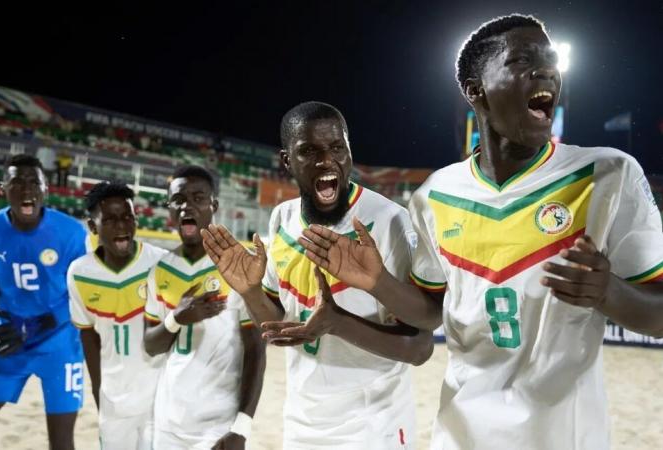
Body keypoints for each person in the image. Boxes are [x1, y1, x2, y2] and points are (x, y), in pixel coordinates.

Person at [295, 14, 663, 450]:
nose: (546, 70)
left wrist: (608, 292)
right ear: (475, 90)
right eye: (523, 59)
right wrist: (379, 283)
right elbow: (433, 312)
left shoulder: (607, 174)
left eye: (550, 61)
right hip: (461, 433)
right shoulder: (435, 197)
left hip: (567, 436)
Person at [202, 101, 433, 450]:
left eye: (337, 148)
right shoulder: (282, 219)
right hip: (301, 423)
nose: (326, 161)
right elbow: (277, 324)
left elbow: (420, 348)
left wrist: (339, 323)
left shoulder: (389, 221)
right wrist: (251, 292)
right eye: (309, 151)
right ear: (286, 161)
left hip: (375, 426)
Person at [0, 154, 87, 450]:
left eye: (35, 182)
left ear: (46, 189)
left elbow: (79, 295)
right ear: (2, 188)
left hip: (60, 341)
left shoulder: (71, 233)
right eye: (17, 181)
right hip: (7, 337)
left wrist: (34, 326)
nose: (27, 189)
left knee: (61, 442)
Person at [143, 165, 266, 450]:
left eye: (198, 198)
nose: (187, 206)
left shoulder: (239, 265)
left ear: (214, 205)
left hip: (218, 425)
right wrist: (176, 318)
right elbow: (151, 345)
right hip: (167, 419)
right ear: (170, 209)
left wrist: (242, 428)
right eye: (179, 199)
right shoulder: (160, 271)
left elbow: (256, 351)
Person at [68, 181, 166, 450]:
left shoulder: (161, 263)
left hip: (160, 395)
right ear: (92, 226)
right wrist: (99, 394)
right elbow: (88, 336)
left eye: (127, 217)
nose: (121, 226)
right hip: (114, 398)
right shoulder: (80, 272)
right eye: (109, 219)